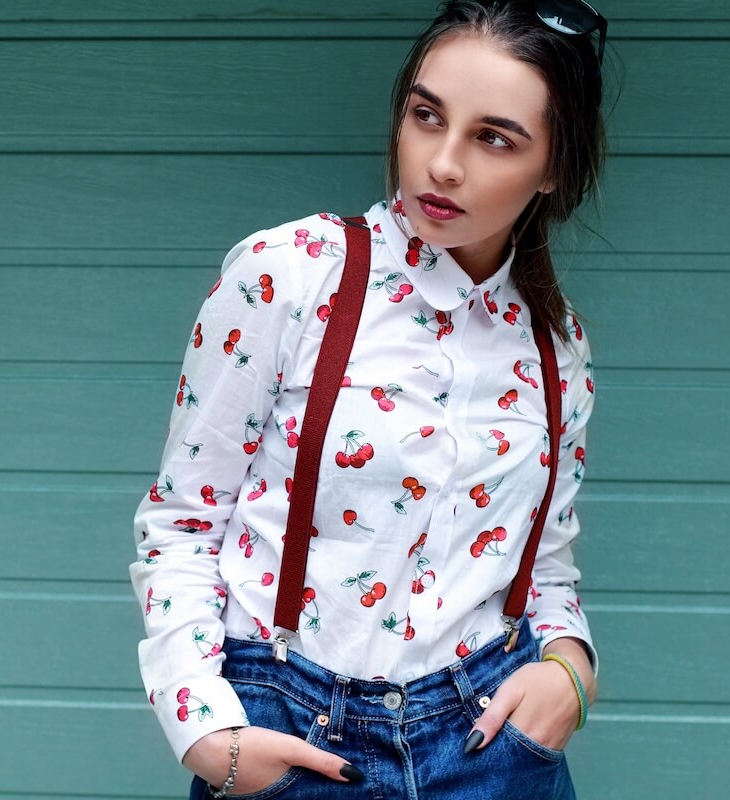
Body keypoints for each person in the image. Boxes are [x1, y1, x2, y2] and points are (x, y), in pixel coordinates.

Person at [130, 1, 609, 796]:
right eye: (427, 116)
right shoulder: (289, 272)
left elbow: (545, 568)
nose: (442, 163)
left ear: (555, 166)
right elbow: (181, 522)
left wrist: (572, 668)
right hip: (297, 735)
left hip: (493, 746)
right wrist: (208, 731)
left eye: (494, 137)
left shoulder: (558, 347)